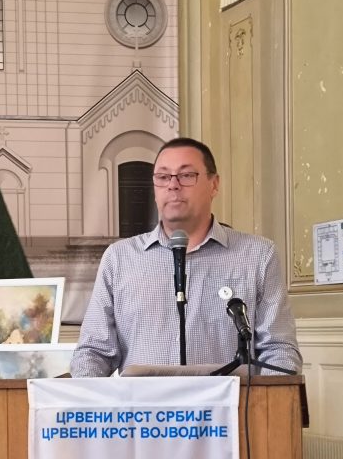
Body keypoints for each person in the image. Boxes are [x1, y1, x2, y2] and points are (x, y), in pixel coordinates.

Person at [71, 137, 301, 377]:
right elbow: (93, 352)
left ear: (214, 185)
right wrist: (92, 394)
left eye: (186, 175)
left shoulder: (257, 255)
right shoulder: (119, 259)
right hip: (141, 402)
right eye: (163, 177)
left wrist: (269, 398)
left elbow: (279, 350)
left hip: (229, 401)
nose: (173, 185)